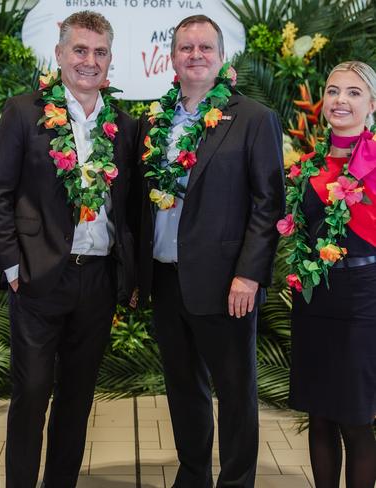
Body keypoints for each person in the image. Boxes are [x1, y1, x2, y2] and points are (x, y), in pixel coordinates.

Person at [0, 10, 137, 488]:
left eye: (100, 52)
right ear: (60, 54)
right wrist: (10, 265)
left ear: (110, 58)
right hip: (36, 275)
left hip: (96, 280)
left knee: (78, 397)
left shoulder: (124, 125)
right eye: (80, 50)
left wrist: (127, 277)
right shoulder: (24, 112)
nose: (90, 61)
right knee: (30, 394)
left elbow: (129, 208)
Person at [137, 15, 285, 488]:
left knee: (235, 391)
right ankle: (194, 473)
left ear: (222, 59)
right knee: (184, 388)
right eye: (186, 48)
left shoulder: (254, 119)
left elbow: (268, 205)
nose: (195, 55)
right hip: (165, 276)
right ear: (173, 58)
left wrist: (249, 275)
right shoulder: (153, 119)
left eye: (205, 47)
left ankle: (237, 480)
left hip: (227, 283)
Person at [283, 61, 376, 488]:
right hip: (315, 298)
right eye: (334, 91)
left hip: (363, 301)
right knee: (319, 416)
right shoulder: (307, 165)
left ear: (371, 104)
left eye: (354, 93)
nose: (341, 100)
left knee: (356, 420)